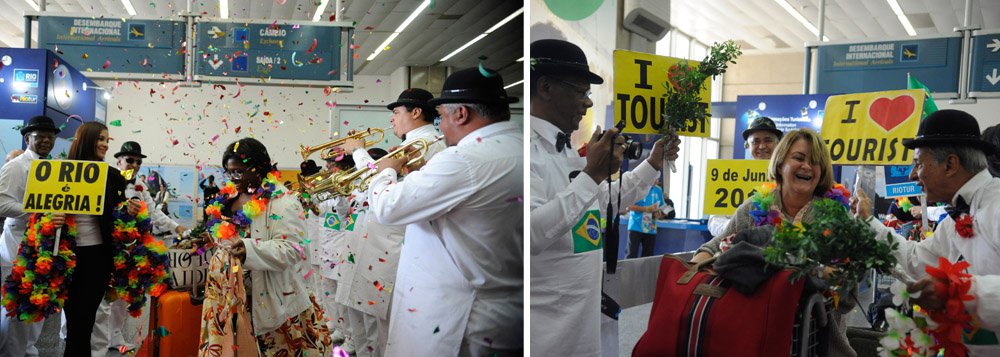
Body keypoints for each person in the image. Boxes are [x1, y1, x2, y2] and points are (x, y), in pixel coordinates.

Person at [529, 39, 680, 356]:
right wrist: (591, 175)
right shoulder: (526, 152)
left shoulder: (565, 146)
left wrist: (652, 164)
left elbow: (600, 200)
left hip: (583, 320)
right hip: (545, 329)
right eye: (580, 92)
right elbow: (528, 235)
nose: (586, 103)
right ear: (545, 88)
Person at [363, 67, 522, 356]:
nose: (441, 128)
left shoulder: (464, 159)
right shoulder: (519, 148)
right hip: (496, 312)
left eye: (442, 118)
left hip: (456, 320)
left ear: (460, 114)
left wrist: (385, 172)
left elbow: (388, 207)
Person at [692, 128, 856, 356]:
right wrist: (697, 266)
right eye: (798, 158)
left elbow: (848, 296)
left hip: (818, 343)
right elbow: (713, 246)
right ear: (780, 164)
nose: (807, 166)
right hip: (753, 339)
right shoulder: (753, 208)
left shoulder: (837, 217)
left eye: (815, 161)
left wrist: (826, 277)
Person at [853, 109, 1000, 356]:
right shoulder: (957, 216)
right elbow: (916, 261)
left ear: (951, 164)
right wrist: (868, 222)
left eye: (919, 164)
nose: (913, 175)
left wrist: (959, 291)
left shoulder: (996, 205)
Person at [338, 88, 447, 355]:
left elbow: (377, 181)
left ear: (416, 112)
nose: (392, 120)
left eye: (396, 112)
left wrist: (359, 152)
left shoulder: (427, 144)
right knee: (375, 328)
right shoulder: (412, 143)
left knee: (387, 335)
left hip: (398, 249)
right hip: (383, 247)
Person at [198, 137, 331, 355]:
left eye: (239, 172)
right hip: (227, 298)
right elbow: (227, 233)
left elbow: (293, 249)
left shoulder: (284, 202)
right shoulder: (230, 196)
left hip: (268, 300)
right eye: (229, 172)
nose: (233, 178)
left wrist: (248, 249)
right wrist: (212, 238)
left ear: (259, 168)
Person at [90, 141, 189, 354]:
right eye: (129, 160)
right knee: (104, 300)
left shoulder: (140, 188)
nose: (134, 164)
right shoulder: (108, 181)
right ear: (118, 161)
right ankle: (95, 341)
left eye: (137, 161)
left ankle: (115, 336)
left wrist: (177, 226)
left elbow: (154, 213)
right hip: (109, 247)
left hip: (132, 251)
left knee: (122, 298)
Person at [53, 121, 132, 356]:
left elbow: (118, 215)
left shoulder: (113, 176)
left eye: (107, 140)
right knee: (74, 320)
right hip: (65, 257)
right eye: (100, 139)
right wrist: (52, 217)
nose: (105, 144)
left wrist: (131, 210)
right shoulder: (61, 171)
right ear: (86, 140)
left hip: (97, 256)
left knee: (85, 320)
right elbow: (41, 211)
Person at [0, 116, 60, 357]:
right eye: (40, 136)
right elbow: (2, 203)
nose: (46, 140)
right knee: (15, 306)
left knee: (38, 300)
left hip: (44, 247)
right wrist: (36, 210)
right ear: (28, 138)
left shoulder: (54, 168)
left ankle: (28, 350)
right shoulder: (15, 166)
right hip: (17, 246)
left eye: (50, 137)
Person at [626, 183, 667, 258]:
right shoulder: (637, 188)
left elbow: (663, 208)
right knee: (631, 255)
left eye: (658, 178)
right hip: (635, 226)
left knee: (648, 257)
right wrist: (646, 209)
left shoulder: (658, 190)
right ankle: (629, 270)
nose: (657, 181)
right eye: (655, 178)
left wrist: (660, 214)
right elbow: (628, 206)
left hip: (651, 228)